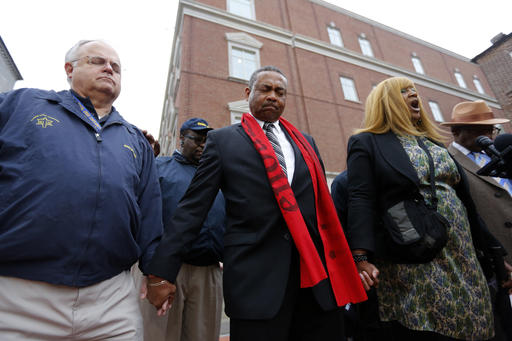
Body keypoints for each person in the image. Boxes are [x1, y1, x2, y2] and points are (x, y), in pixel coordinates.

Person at [145, 65, 367, 341]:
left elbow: (325, 210)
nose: (273, 96)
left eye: (280, 92)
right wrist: (161, 272)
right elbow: (192, 209)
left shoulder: (306, 143)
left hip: (315, 281)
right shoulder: (223, 141)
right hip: (256, 281)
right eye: (266, 89)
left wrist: (357, 258)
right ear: (249, 93)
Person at [0, 40, 163, 340]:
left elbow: (150, 210)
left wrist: (157, 273)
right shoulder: (21, 105)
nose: (109, 69)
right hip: (16, 295)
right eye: (97, 61)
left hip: (111, 300)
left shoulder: (136, 140)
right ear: (69, 68)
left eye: (116, 67)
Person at [346, 76, 504, 340]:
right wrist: (361, 257)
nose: (413, 94)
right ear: (388, 102)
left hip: (462, 253)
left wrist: (494, 251)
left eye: (414, 90)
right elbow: (360, 198)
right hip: (414, 253)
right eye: (404, 91)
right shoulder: (368, 142)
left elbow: (466, 204)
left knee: (475, 321)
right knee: (429, 324)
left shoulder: (433, 144)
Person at [141, 118, 225, 341]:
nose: (203, 145)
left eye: (207, 141)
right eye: (197, 139)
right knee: (162, 335)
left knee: (204, 336)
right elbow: (146, 218)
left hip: (209, 271)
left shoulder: (219, 177)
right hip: (168, 271)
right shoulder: (160, 168)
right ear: (181, 140)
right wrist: (150, 270)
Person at [440, 101, 512, 341]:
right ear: (456, 131)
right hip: (495, 267)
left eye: (490, 130)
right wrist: (494, 259)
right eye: (479, 130)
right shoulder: (445, 161)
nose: (487, 136)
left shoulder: (500, 155)